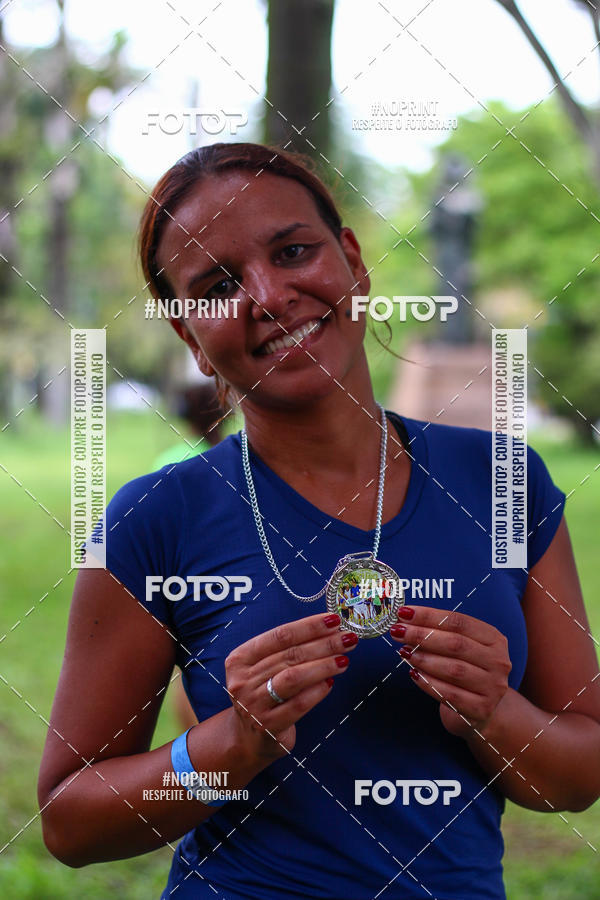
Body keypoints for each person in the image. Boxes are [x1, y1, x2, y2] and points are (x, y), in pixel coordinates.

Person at [38, 143, 600, 900]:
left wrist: (496, 714)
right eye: (219, 285)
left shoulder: (502, 482)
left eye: (294, 250)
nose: (269, 295)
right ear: (189, 338)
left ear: (353, 263)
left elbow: (578, 777)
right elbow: (70, 822)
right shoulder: (154, 520)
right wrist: (226, 750)